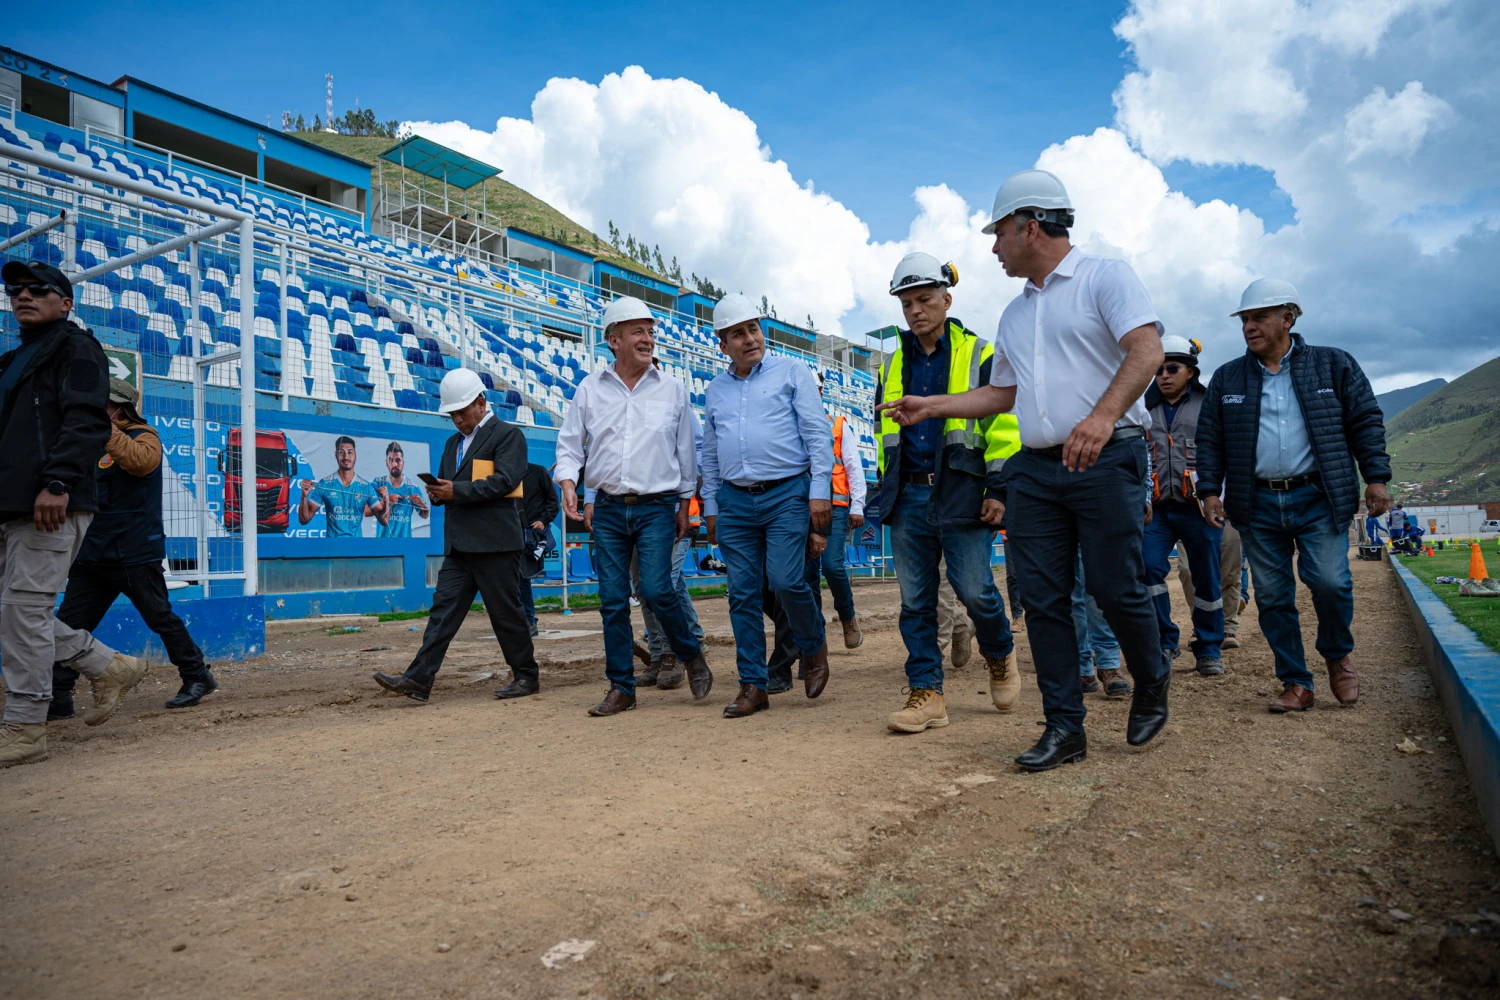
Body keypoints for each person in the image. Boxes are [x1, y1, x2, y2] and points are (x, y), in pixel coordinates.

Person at [879, 170, 1171, 771]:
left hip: (1107, 455)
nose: (993, 247)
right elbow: (1001, 396)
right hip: (1037, 470)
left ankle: (1151, 680)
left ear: (1029, 226)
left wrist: (1102, 416)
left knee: (1115, 589)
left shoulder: (1105, 277)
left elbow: (1147, 351)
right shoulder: (1014, 316)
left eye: (998, 234)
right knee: (1041, 600)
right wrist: (931, 405)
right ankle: (1065, 728)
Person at [1196, 278, 1392, 713]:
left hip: (1319, 496)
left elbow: (1366, 421)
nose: (1249, 326)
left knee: (1330, 582)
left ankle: (1337, 656)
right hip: (1256, 502)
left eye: (1259, 317)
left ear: (1289, 318)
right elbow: (1210, 441)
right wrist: (1209, 491)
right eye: (1244, 319)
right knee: (1273, 596)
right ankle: (1296, 681)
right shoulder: (1228, 377)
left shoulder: (1333, 365)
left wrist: (1376, 477)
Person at [0, 260, 148, 767]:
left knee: (23, 610)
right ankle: (108, 666)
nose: (24, 295)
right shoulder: (14, 360)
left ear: (66, 302)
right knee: (19, 613)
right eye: (15, 289)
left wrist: (58, 481)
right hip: (12, 504)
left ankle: (24, 727)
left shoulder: (77, 347)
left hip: (50, 502)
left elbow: (87, 420)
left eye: (39, 289)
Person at [872, 252, 1020, 735]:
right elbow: (883, 437)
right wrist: (886, 491)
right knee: (916, 602)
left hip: (964, 492)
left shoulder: (980, 354)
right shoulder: (892, 364)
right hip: (909, 496)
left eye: (925, 299)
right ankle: (927, 693)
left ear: (946, 299)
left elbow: (1004, 426)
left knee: (976, 591)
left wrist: (999, 487)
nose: (915, 310)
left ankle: (999, 653)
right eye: (907, 302)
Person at [554, 296, 712, 716]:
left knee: (658, 590)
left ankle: (689, 653)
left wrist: (684, 503)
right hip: (606, 509)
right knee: (611, 600)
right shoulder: (590, 388)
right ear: (614, 340)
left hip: (657, 506)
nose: (648, 339)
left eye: (651, 331)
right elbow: (570, 445)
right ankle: (621, 687)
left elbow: (685, 454)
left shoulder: (672, 388)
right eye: (638, 331)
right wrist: (570, 484)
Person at [51, 377, 217, 718]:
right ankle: (58, 695)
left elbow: (142, 462)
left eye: (100, 404)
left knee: (159, 617)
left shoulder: (143, 436)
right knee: (69, 625)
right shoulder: (90, 441)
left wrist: (104, 430)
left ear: (117, 407)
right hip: (92, 553)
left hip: (134, 551)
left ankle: (197, 675)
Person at [373, 368, 540, 703]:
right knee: (442, 613)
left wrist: (455, 491)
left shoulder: (508, 436)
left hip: (495, 545)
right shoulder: (452, 444)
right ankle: (419, 679)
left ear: (481, 402)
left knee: (506, 614)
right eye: (452, 415)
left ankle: (526, 676)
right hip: (460, 545)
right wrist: (437, 493)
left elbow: (506, 481)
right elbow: (451, 485)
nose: (457, 420)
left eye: (462, 413)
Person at [702, 293, 832, 719]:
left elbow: (817, 437)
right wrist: (711, 506)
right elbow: (709, 452)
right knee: (741, 593)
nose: (749, 339)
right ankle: (753, 685)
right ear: (722, 343)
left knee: (785, 580)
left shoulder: (793, 371)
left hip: (786, 494)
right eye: (737, 333)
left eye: (753, 328)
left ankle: (813, 647)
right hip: (735, 500)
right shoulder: (716, 390)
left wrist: (819, 494)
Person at [1142, 336, 1225, 677]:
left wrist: (1220, 497)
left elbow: (1225, 454)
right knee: (1147, 569)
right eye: (1158, 369)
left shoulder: (1210, 405)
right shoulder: (1140, 407)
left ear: (1190, 372)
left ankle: (1208, 648)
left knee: (1206, 578)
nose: (1164, 375)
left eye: (1172, 368)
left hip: (1199, 508)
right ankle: (1164, 641)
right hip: (1155, 510)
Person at [816, 372, 867, 648]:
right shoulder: (787, 426)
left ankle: (847, 616)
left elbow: (853, 466)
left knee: (832, 566)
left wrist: (857, 504)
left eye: (817, 389)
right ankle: (815, 634)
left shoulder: (837, 425)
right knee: (806, 574)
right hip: (801, 509)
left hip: (835, 507)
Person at [299, 435, 384, 537]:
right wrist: (304, 497)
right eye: (341, 452)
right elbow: (304, 520)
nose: (346, 456)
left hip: (356, 549)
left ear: (355, 455)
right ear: (335, 455)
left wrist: (386, 500)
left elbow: (384, 520)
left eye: (350, 452)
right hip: (332, 549)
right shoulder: (325, 484)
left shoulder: (366, 486)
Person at [517, 461, 559, 637]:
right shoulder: (503, 474)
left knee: (523, 576)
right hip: (507, 531)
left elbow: (553, 502)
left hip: (530, 534)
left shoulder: (538, 472)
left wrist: (544, 520)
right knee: (509, 579)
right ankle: (519, 620)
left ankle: (529, 620)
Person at [374, 441, 429, 538]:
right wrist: (387, 500)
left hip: (404, 543)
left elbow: (425, 515)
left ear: (403, 463)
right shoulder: (378, 483)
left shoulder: (412, 487)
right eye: (391, 460)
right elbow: (366, 510)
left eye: (398, 460)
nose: (394, 464)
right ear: (387, 462)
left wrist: (422, 504)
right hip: (382, 543)